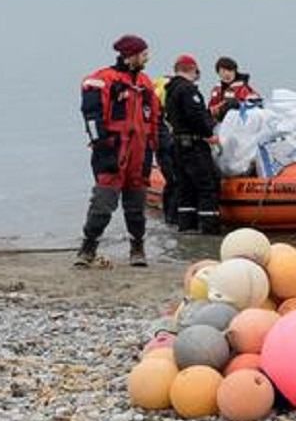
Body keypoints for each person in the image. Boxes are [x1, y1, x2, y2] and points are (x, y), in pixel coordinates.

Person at [76, 34, 162, 267]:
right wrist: (101, 145)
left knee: (136, 207)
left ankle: (137, 248)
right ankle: (88, 247)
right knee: (103, 204)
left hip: (139, 151)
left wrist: (155, 146)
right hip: (113, 150)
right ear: (131, 55)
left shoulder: (144, 83)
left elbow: (153, 117)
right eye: (144, 54)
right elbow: (92, 116)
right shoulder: (103, 80)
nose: (148, 58)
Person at [164, 54, 222, 234]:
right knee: (207, 186)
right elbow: (197, 116)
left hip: (178, 145)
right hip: (193, 146)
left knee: (186, 188)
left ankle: (187, 227)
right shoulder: (188, 90)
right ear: (192, 69)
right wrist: (209, 133)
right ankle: (209, 230)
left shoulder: (171, 89)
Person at [152, 74, 179, 225]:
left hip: (164, 149)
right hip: (166, 150)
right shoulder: (160, 118)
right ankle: (171, 218)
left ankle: (169, 218)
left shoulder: (161, 116)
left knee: (172, 182)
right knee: (175, 182)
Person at [207, 56, 262, 121]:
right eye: (223, 71)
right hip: (217, 124)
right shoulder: (216, 89)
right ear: (218, 73)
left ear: (235, 71)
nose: (227, 74)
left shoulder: (242, 88)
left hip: (236, 123)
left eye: (230, 70)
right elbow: (211, 106)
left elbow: (254, 102)